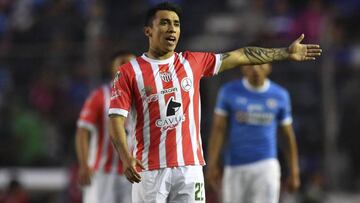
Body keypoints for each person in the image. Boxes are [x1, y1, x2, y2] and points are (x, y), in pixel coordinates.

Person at [108, 2, 321, 202]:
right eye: (164, 22)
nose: (172, 28)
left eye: (176, 24)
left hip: (190, 169)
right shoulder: (129, 72)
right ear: (148, 31)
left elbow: (240, 56)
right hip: (150, 170)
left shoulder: (192, 62)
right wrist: (126, 157)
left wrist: (284, 52)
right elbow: (116, 119)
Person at [206, 63, 300, 203]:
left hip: (266, 165)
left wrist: (294, 171)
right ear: (243, 67)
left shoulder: (280, 95)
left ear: (269, 67)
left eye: (261, 64)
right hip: (234, 166)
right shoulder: (228, 92)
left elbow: (287, 136)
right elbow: (218, 130)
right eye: (251, 64)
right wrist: (212, 164)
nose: (256, 69)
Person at [75, 50, 135, 203]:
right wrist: (83, 164)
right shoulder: (100, 95)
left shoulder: (143, 98)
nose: (126, 68)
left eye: (131, 64)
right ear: (112, 68)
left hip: (133, 175)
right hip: (103, 173)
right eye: (122, 64)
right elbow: (83, 130)